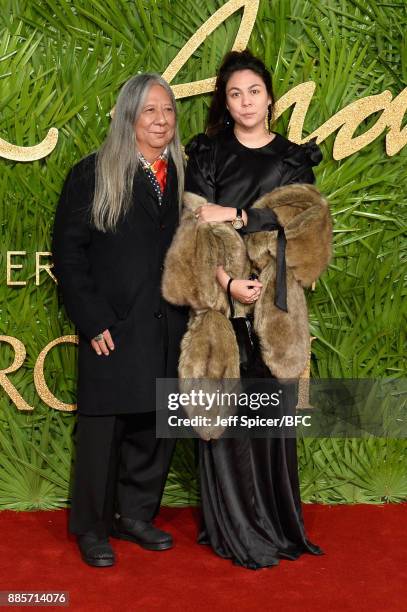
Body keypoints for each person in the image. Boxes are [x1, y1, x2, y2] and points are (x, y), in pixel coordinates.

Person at [180, 50, 328, 569]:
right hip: (222, 308)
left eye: (254, 91)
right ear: (226, 101)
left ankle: (278, 523)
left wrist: (240, 215)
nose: (245, 101)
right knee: (224, 419)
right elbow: (195, 228)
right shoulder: (208, 153)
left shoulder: (293, 158)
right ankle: (237, 531)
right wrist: (226, 281)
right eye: (234, 93)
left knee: (271, 420)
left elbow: (303, 227)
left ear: (270, 97)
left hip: (277, 309)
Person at [52, 74, 188, 567]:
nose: (161, 120)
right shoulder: (92, 173)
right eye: (150, 111)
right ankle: (92, 528)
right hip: (112, 326)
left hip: (166, 324)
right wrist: (92, 319)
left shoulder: (181, 176)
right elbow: (69, 255)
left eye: (168, 110)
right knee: (102, 431)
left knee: (155, 426)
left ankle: (135, 515)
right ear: (128, 116)